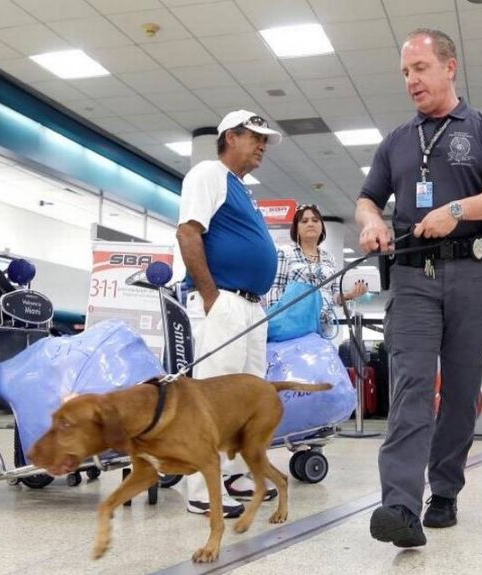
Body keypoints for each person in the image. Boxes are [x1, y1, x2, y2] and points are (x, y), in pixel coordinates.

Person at [356, 28, 482, 548]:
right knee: (411, 386)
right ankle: (400, 506)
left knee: (459, 393)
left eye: (420, 68)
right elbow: (367, 198)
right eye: (405, 72)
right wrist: (372, 221)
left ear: (449, 67)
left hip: (471, 275)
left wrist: (457, 209)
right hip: (412, 277)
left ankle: (446, 490)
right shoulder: (395, 141)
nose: (411, 80)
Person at [175, 109, 282, 517]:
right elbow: (188, 232)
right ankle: (201, 489)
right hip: (225, 302)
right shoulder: (208, 174)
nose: (262, 146)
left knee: (246, 399)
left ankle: (235, 474)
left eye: (264, 140)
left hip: (250, 307)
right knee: (213, 396)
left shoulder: (241, 189)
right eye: (255, 137)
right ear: (230, 137)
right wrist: (211, 296)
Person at [265, 204, 368, 336]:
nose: (310, 224)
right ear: (296, 228)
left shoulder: (329, 258)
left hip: (324, 327)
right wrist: (278, 322)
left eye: (315, 220)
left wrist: (349, 295)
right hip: (293, 327)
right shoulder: (285, 253)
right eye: (304, 221)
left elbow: (334, 295)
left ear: (321, 227)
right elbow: (274, 291)